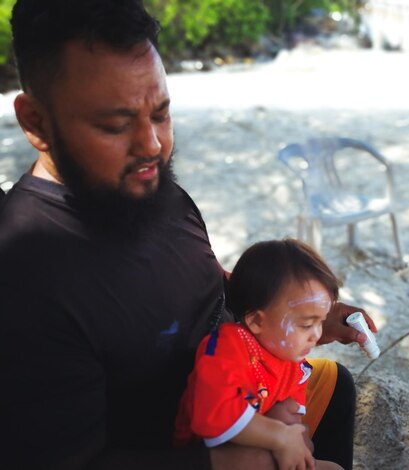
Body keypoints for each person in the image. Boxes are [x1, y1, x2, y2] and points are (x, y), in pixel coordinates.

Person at [0, 0, 375, 468]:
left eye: (160, 114)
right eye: (116, 124)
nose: (152, 146)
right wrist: (234, 462)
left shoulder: (156, 193)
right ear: (36, 122)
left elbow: (213, 288)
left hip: (239, 389)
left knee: (336, 388)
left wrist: (302, 315)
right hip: (186, 440)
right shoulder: (24, 278)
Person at [174, 239, 345, 470]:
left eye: (321, 322)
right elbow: (213, 416)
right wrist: (280, 436)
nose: (317, 335)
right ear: (256, 321)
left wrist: (292, 431)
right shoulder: (227, 349)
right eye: (306, 324)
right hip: (202, 456)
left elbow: (291, 414)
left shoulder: (290, 357)